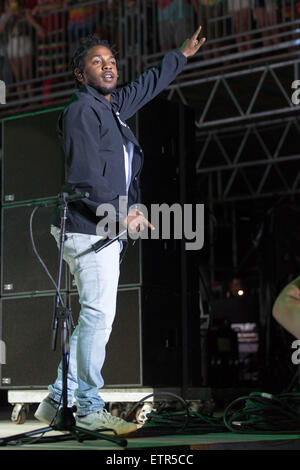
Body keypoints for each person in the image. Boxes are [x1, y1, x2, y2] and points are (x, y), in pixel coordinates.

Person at [34, 27, 206, 435]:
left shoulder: (109, 108)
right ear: (81, 74)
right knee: (97, 318)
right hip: (89, 229)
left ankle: (58, 399)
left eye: (111, 61)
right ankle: (89, 408)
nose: (108, 65)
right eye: (97, 61)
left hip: (99, 229)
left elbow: (145, 86)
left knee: (94, 319)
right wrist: (119, 213)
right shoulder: (81, 110)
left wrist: (179, 57)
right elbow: (83, 177)